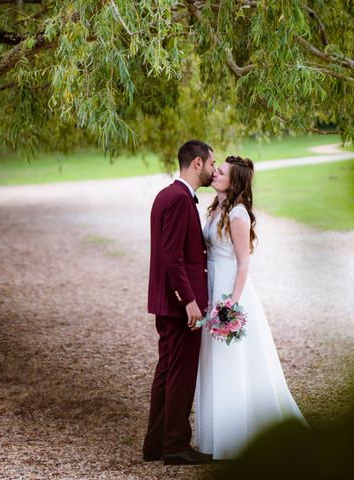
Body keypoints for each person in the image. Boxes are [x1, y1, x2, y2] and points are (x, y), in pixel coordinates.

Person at [195, 156, 307, 460]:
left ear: (235, 182)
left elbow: (244, 263)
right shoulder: (216, 208)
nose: (214, 172)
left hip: (230, 290)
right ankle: (217, 437)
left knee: (233, 359)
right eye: (216, 169)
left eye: (221, 172)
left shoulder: (238, 214)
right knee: (213, 360)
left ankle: (239, 438)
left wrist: (231, 302)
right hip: (212, 286)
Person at [143, 140, 216, 465]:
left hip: (166, 302)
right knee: (180, 374)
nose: (214, 170)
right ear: (197, 163)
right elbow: (172, 256)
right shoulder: (178, 200)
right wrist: (189, 300)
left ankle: (156, 443)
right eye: (212, 164)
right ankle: (175, 445)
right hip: (180, 306)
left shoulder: (167, 195)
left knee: (167, 370)